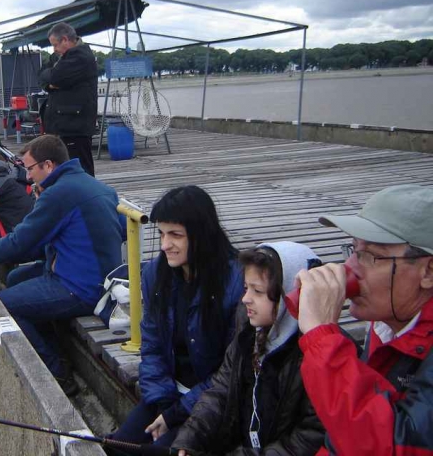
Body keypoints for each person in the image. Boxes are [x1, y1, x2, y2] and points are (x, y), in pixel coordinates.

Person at [0, 135, 123, 395]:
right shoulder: (94, 184)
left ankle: (58, 373)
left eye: (30, 168)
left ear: (48, 165)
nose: (28, 175)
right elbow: (121, 231)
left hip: (82, 287)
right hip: (100, 276)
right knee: (15, 279)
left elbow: (20, 242)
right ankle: (53, 343)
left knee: (4, 304)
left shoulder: (58, 194)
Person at [295, 184, 433, 455]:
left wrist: (323, 339)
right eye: (354, 250)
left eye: (371, 256)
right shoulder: (389, 325)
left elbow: (393, 447)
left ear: (428, 271)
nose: (350, 269)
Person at [108, 185, 243, 449]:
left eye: (175, 235)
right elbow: (152, 343)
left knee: (160, 450)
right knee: (118, 446)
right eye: (161, 233)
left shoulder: (236, 283)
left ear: (202, 236)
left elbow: (232, 371)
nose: (165, 245)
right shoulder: (156, 274)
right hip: (169, 395)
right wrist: (163, 402)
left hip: (215, 401)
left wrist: (177, 412)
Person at [172, 241, 325, 456]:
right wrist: (190, 438)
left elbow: (310, 438)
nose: (245, 299)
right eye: (246, 288)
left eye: (258, 291)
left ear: (294, 295)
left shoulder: (319, 355)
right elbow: (221, 392)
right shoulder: (249, 333)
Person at [38, 22, 98, 176]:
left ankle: (87, 198)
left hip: (75, 126)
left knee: (80, 169)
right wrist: (50, 83)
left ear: (65, 39)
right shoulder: (61, 57)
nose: (54, 50)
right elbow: (42, 76)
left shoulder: (81, 56)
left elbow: (55, 76)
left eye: (55, 45)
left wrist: (52, 79)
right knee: (64, 168)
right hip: (64, 125)